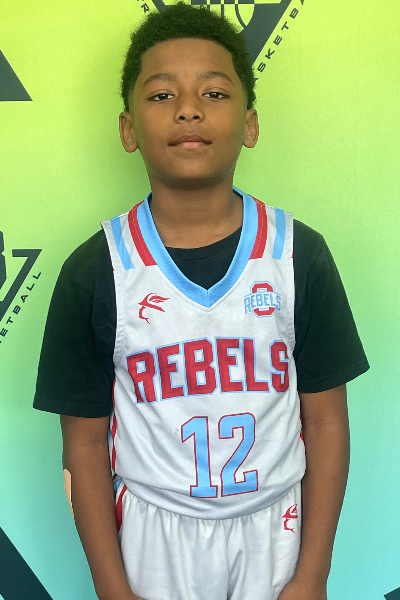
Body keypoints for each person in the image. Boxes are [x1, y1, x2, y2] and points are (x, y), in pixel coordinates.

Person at [33, 3, 369, 600]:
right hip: (152, 536)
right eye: (162, 95)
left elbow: (325, 421)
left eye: (214, 92)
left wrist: (313, 574)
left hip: (275, 531)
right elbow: (83, 443)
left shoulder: (298, 255)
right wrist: (111, 587)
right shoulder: (96, 270)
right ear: (128, 130)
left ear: (250, 124)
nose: (188, 108)